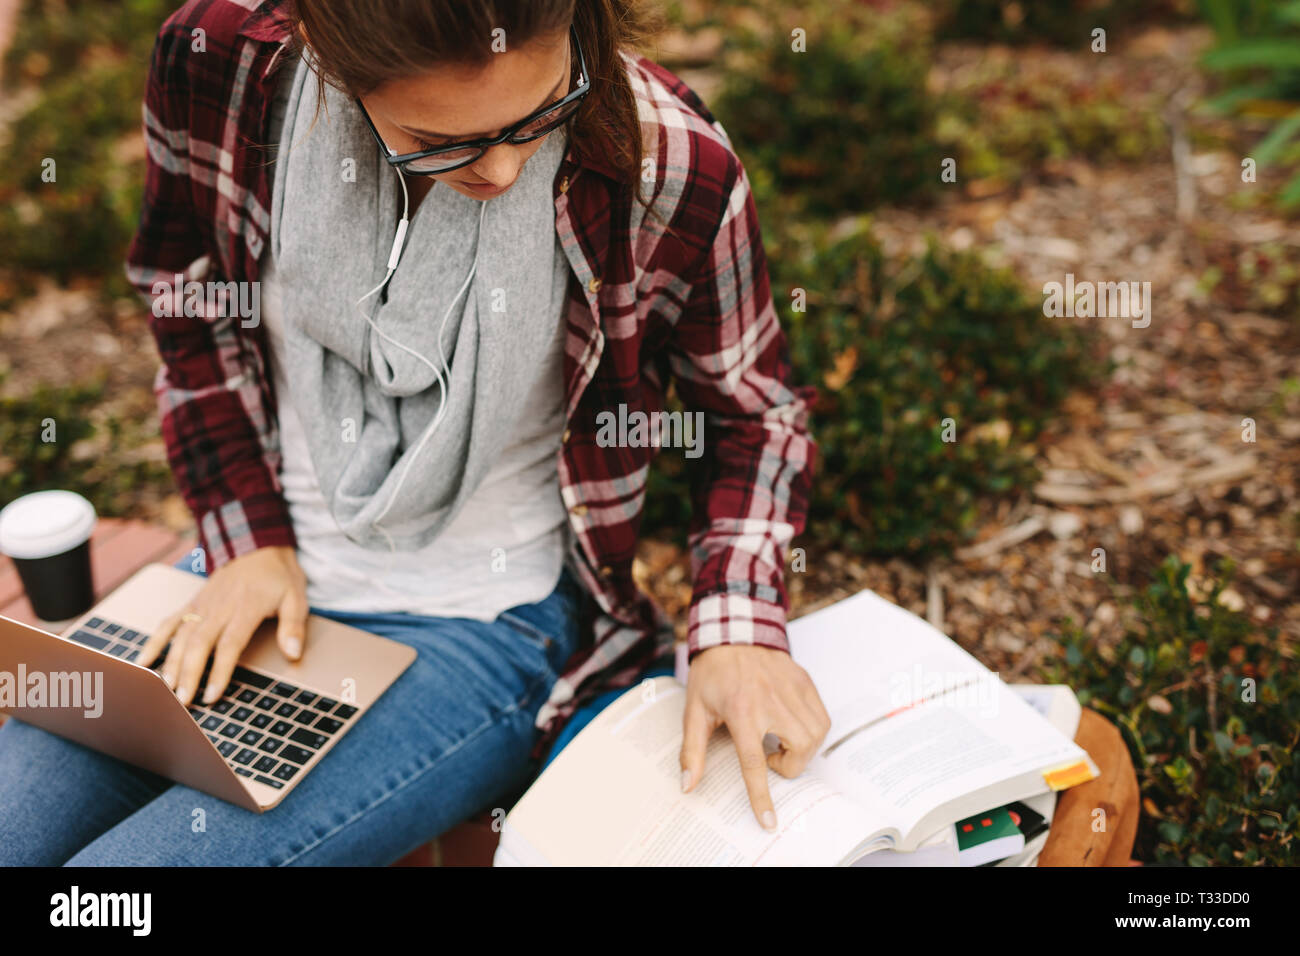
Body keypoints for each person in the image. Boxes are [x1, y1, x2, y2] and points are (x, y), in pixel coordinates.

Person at [0, 0, 824, 865]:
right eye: (443, 139)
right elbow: (190, 296)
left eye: (542, 113)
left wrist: (737, 626)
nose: (505, 169)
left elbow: (754, 414)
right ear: (327, 54)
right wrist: (246, 535)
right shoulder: (222, 63)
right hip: (250, 570)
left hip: (486, 620)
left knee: (113, 889)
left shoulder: (671, 164)